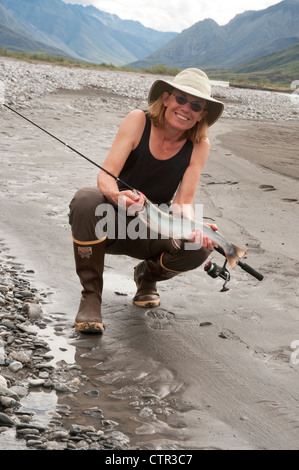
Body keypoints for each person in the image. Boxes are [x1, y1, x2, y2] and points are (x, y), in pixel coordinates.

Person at [69, 68, 224, 334]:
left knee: (198, 247)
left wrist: (193, 229)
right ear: (166, 98)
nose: (186, 108)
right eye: (181, 99)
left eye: (196, 105)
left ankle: (147, 276)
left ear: (202, 114)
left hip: (153, 227)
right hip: (111, 221)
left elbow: (183, 202)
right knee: (85, 200)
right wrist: (117, 197)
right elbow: (105, 176)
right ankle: (91, 296)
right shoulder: (137, 121)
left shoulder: (200, 145)